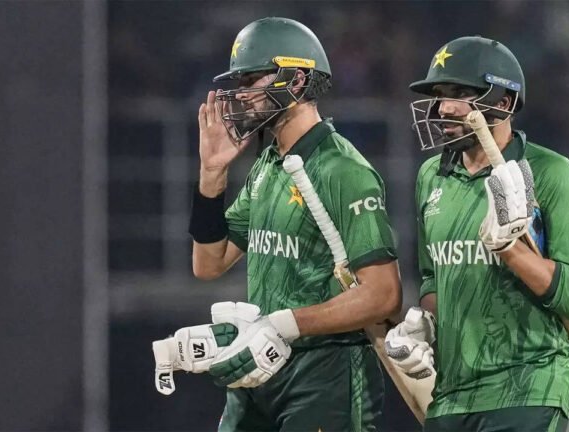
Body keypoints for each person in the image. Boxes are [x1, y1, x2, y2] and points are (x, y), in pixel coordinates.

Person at [154, 17, 402, 431]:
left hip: (327, 375)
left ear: (298, 80)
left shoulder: (343, 169)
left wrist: (283, 324)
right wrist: (211, 174)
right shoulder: (269, 165)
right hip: (263, 369)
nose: (241, 95)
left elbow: (383, 295)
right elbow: (208, 263)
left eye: (252, 79)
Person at [384, 36, 569, 432]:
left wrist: (511, 250)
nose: (444, 107)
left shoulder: (551, 173)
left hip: (527, 387)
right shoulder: (431, 175)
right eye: (440, 94)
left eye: (461, 93)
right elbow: (434, 277)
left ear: (503, 102)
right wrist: (424, 323)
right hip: (450, 394)